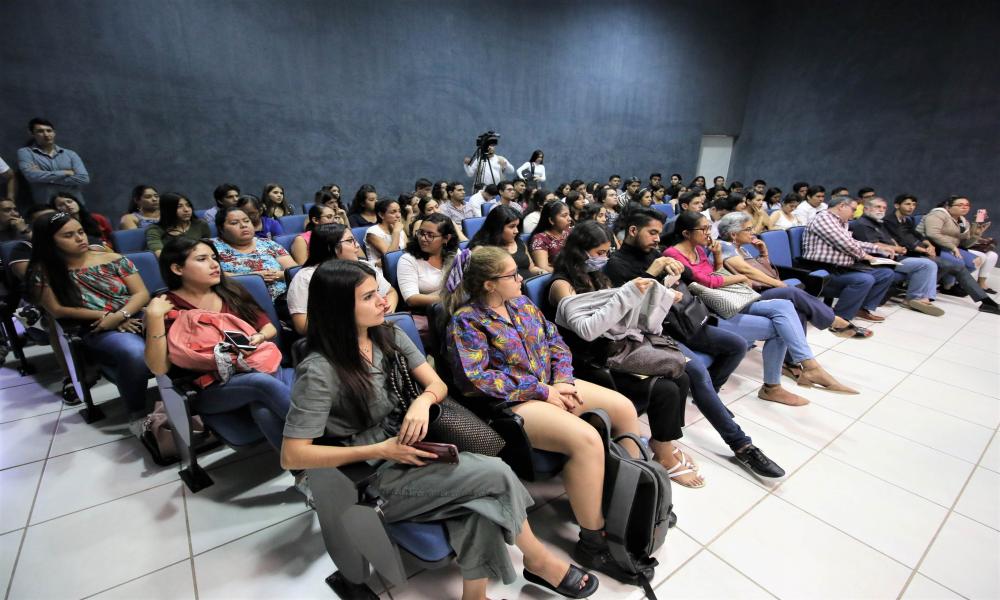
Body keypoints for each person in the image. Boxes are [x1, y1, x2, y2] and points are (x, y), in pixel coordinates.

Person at [282, 259, 598, 600]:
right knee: (496, 475)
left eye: (380, 292)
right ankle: (539, 560)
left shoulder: (387, 335)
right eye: (369, 297)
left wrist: (422, 402)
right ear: (340, 308)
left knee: (482, 505)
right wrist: (379, 450)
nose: (384, 302)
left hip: (410, 447)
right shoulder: (319, 370)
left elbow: (436, 384)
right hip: (366, 472)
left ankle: (474, 597)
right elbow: (293, 455)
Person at [444, 246, 647, 578]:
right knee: (586, 439)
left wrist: (563, 380)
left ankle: (625, 498)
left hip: (552, 384)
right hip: (513, 402)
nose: (520, 278)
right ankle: (593, 542)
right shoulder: (466, 320)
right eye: (511, 275)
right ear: (489, 284)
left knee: (623, 408)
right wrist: (543, 391)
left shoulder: (522, 304)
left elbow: (555, 342)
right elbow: (477, 379)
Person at [604, 208, 785, 478]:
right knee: (697, 369)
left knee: (735, 345)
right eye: (651, 232)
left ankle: (707, 394)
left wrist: (688, 269)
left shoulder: (657, 253)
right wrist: (653, 275)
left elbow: (697, 280)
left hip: (681, 323)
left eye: (658, 232)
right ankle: (742, 444)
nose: (657, 238)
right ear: (632, 231)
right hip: (650, 333)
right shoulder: (616, 265)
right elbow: (627, 313)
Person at [549, 223, 701, 487]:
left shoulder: (597, 277)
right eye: (599, 252)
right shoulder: (561, 285)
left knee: (682, 378)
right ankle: (664, 456)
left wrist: (659, 294)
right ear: (580, 251)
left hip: (615, 349)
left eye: (608, 252)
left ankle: (662, 442)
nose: (604, 259)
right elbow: (588, 330)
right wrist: (628, 294)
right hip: (589, 363)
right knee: (665, 389)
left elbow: (623, 317)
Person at [666, 211, 855, 402]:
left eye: (709, 227)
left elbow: (715, 274)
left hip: (728, 300)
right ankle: (774, 386)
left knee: (785, 306)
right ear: (686, 233)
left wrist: (717, 257)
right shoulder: (672, 254)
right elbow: (705, 282)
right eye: (704, 228)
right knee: (781, 325)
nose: (709, 232)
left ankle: (809, 365)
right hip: (708, 312)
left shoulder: (699, 249)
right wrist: (740, 278)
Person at [144, 238, 292, 451]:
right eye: (202, 259)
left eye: (214, 258)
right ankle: (324, 441)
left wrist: (258, 337)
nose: (215, 264)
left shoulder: (231, 290)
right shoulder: (165, 306)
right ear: (177, 268)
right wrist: (155, 318)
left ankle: (304, 472)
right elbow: (158, 368)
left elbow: (268, 327)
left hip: (255, 365)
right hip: (211, 387)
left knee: (264, 410)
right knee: (262, 384)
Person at [28, 212, 151, 431]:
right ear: (50, 241)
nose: (80, 238)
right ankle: (138, 413)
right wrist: (106, 317)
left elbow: (141, 294)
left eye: (81, 232)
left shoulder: (112, 259)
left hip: (134, 313)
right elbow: (57, 309)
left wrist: (120, 315)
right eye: (68, 235)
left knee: (178, 335)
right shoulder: (44, 271)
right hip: (94, 327)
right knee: (134, 352)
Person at [716, 212, 873, 339]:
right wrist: (779, 284)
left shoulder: (742, 248)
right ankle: (835, 321)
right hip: (749, 295)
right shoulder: (724, 246)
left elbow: (768, 271)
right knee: (791, 292)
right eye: (748, 229)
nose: (753, 232)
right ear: (734, 234)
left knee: (798, 309)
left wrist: (764, 253)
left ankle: (793, 361)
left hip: (761, 289)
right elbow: (747, 270)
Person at [885, 195, 1000, 313]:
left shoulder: (905, 220)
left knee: (957, 267)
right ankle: (924, 296)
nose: (911, 207)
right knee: (948, 263)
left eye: (913, 204)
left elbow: (917, 235)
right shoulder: (890, 220)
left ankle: (985, 301)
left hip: (919, 251)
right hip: (905, 254)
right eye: (907, 204)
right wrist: (923, 249)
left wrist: (928, 245)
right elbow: (905, 238)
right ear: (897, 205)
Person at [287, 223, 398, 335]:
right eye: (350, 241)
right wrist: (355, 321)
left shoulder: (364, 266)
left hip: (374, 327)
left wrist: (387, 311)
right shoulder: (305, 278)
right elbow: (302, 325)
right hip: (335, 337)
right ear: (331, 247)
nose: (357, 245)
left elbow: (391, 292)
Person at [800, 195, 897, 322]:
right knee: (864, 279)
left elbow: (852, 242)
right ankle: (839, 317)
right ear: (841, 206)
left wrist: (877, 248)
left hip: (842, 268)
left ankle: (861, 309)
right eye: (853, 209)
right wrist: (866, 256)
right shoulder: (824, 218)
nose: (855, 212)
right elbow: (845, 244)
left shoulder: (841, 222)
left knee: (886, 274)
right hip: (823, 269)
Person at [848, 198, 944, 316]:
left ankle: (925, 298)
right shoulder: (863, 224)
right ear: (866, 208)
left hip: (892, 257)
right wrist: (896, 248)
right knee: (926, 264)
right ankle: (914, 299)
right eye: (878, 207)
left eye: (884, 208)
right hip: (877, 259)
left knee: (929, 263)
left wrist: (897, 247)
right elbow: (874, 245)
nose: (881, 210)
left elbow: (891, 239)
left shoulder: (878, 223)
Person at [212, 206, 297, 299]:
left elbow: (293, 270)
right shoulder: (212, 248)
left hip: (286, 297)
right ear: (221, 229)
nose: (243, 225)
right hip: (244, 300)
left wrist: (279, 275)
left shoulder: (267, 243)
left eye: (246, 221)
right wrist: (255, 277)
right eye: (234, 223)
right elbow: (216, 276)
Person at [920, 196, 997, 293]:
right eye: (960, 205)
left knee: (976, 261)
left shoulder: (963, 222)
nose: (965, 207)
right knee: (958, 262)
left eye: (967, 205)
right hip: (932, 246)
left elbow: (964, 244)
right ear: (948, 207)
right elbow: (932, 234)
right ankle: (944, 285)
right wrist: (952, 247)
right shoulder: (937, 214)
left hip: (949, 248)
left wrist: (976, 235)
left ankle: (950, 284)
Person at [16, 118, 90, 205]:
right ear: (32, 134)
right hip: (46, 206)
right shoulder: (25, 152)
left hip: (74, 205)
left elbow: (84, 179)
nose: (46, 134)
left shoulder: (70, 154)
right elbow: (31, 176)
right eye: (40, 131)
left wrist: (44, 176)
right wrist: (65, 172)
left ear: (54, 133)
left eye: (49, 130)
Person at [398, 213, 459, 309]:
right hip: (426, 312)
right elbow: (411, 299)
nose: (423, 239)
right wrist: (451, 298)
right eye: (421, 233)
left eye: (430, 235)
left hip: (454, 307)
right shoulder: (408, 259)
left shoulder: (454, 253)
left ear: (446, 238)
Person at [470, 205, 546, 280]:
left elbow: (531, 268)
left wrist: (541, 272)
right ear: (497, 228)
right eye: (512, 226)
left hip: (527, 284)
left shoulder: (519, 241)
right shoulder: (481, 251)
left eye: (517, 226)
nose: (516, 231)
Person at [144, 192, 211, 256]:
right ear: (168, 210)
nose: (186, 210)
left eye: (188, 205)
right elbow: (160, 255)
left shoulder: (200, 224)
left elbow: (208, 248)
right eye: (179, 206)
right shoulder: (155, 229)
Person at [363, 197, 407, 266]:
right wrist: (396, 232)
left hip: (401, 266)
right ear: (381, 215)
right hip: (381, 271)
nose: (398, 215)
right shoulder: (373, 232)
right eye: (393, 212)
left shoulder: (398, 228)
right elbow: (391, 259)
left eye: (399, 211)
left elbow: (408, 251)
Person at [530, 201, 572, 273]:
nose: (569, 219)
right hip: (557, 277)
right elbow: (543, 268)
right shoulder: (540, 239)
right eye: (564, 216)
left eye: (569, 215)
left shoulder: (569, 232)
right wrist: (569, 273)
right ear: (551, 220)